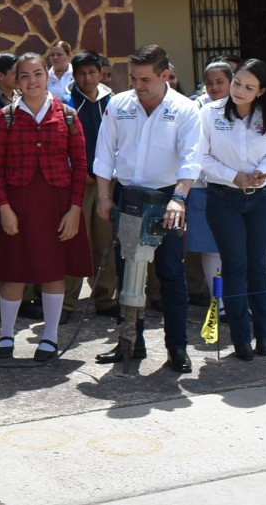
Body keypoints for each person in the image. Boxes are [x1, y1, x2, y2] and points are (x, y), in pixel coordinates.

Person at [93, 44, 202, 373]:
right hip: (129, 196)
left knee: (170, 272)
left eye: (145, 79)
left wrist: (179, 198)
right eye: (133, 78)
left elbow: (191, 158)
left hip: (168, 197)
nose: (138, 85)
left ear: (165, 75)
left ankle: (177, 347)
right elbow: (104, 153)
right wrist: (104, 196)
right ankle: (129, 342)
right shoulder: (118, 104)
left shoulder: (185, 109)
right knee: (128, 271)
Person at [0, 53, 90, 362]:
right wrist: (4, 208)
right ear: (16, 81)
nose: (32, 81)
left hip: (56, 205)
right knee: (14, 271)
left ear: (48, 76)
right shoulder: (5, 117)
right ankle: (6, 334)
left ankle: (50, 337)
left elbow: (80, 165)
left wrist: (75, 209)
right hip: (17, 206)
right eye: (24, 76)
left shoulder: (68, 115)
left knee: (52, 271)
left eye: (37, 74)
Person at [201, 59, 266, 360]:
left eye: (249, 88)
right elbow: (200, 157)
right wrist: (233, 176)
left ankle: (265, 335)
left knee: (259, 265)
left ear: (261, 91)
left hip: (261, 198)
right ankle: (241, 338)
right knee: (235, 265)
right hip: (223, 198)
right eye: (237, 83)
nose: (239, 91)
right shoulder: (209, 113)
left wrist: (262, 173)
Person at [61, 51, 118, 317]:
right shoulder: (66, 104)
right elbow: (62, 144)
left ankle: (106, 298)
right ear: (74, 76)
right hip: (78, 183)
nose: (87, 78)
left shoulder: (113, 101)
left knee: (105, 241)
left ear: (101, 73)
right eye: (81, 73)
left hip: (107, 182)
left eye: (92, 72)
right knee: (75, 240)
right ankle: (67, 302)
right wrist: (78, 172)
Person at [184, 61, 232, 312]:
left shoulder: (242, 106)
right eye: (209, 82)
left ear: (232, 82)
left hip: (236, 187)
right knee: (211, 249)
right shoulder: (196, 108)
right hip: (204, 186)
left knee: (234, 249)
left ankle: (235, 298)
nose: (214, 87)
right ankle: (218, 301)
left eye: (220, 82)